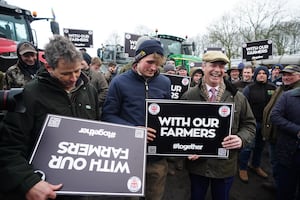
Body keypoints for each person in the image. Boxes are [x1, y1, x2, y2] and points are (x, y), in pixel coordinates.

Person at [0, 35, 100, 200]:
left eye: (77, 70)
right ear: (49, 68)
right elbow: (8, 148)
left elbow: (96, 131)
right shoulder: (30, 95)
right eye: (66, 73)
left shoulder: (89, 91)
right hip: (45, 187)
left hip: (81, 186)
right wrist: (28, 182)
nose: (74, 78)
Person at [102, 39, 171, 200]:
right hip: (128, 157)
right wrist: (134, 131)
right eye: (149, 62)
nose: (154, 68)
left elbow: (169, 116)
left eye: (158, 64)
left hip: (156, 158)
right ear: (138, 59)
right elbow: (108, 115)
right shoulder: (119, 82)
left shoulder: (165, 82)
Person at [182, 51, 256, 200]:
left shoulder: (237, 97)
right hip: (198, 166)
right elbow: (179, 128)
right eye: (213, 65)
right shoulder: (189, 96)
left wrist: (241, 139)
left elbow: (249, 124)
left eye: (221, 66)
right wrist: (186, 148)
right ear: (203, 67)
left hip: (225, 166)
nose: (217, 70)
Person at [262, 64, 300, 191]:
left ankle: (280, 187)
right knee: (275, 163)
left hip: (285, 138)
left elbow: (277, 115)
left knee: (282, 166)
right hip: (274, 134)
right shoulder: (282, 88)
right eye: (284, 74)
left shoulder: (294, 93)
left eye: (290, 74)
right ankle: (277, 184)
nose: (286, 77)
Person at [238, 66, 276, 183]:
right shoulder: (249, 88)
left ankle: (255, 165)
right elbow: (242, 105)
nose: (261, 75)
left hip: (266, 124)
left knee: (260, 146)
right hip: (252, 123)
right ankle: (243, 168)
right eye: (259, 73)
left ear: (267, 75)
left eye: (264, 73)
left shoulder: (273, 88)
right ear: (255, 75)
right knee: (248, 147)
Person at [270, 87, 300, 200]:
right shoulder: (288, 96)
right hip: (288, 152)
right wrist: (297, 130)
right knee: (285, 189)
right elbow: (275, 116)